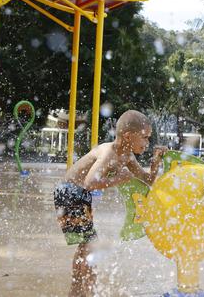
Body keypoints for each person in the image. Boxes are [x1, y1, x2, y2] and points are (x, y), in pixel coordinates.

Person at [53, 110, 166, 297]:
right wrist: (117, 179)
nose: (147, 143)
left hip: (79, 194)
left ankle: (78, 292)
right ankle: (85, 291)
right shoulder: (109, 153)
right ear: (128, 136)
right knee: (89, 245)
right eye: (144, 138)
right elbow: (89, 183)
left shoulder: (128, 156)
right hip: (69, 191)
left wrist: (155, 163)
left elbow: (147, 179)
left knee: (86, 245)